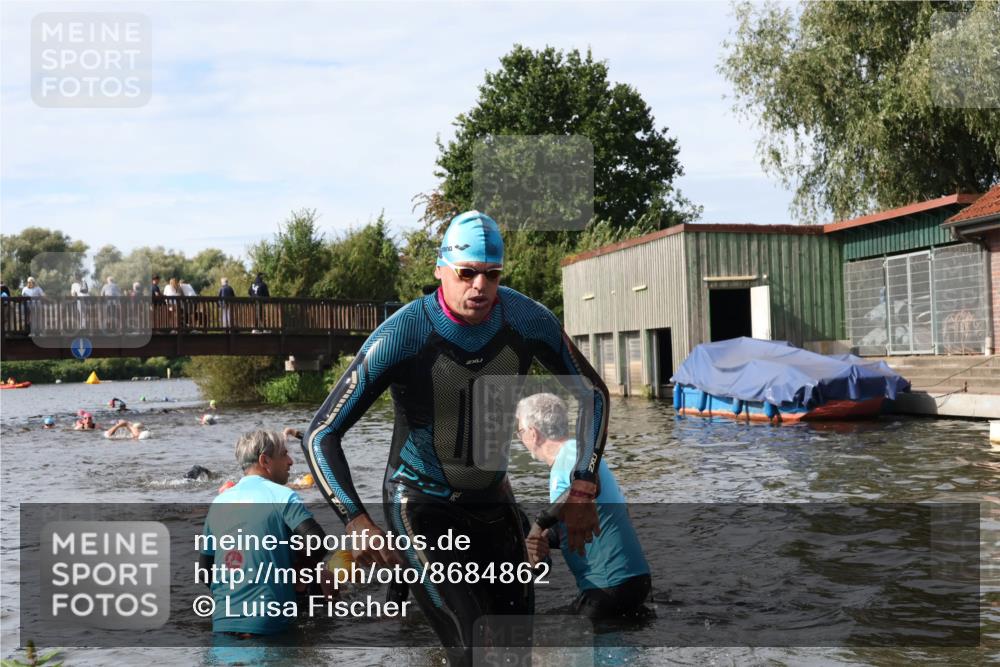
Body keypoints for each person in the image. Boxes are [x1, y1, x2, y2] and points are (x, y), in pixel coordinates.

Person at [302, 210, 610, 665]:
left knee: (514, 654)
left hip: (493, 504)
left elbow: (595, 395)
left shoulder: (526, 320)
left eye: (491, 274)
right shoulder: (404, 333)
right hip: (420, 505)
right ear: (440, 269)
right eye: (466, 273)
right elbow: (322, 434)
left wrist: (583, 485)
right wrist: (356, 520)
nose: (479, 287)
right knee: (475, 649)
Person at [516, 393, 650, 620]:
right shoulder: (576, 455)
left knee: (545, 644)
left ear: (533, 432)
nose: (520, 438)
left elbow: (590, 486)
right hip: (625, 581)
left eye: (519, 432)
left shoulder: (571, 456)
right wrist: (544, 541)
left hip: (610, 585)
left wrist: (540, 523)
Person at [197, 430, 337, 637]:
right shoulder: (281, 495)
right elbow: (316, 542)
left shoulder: (218, 503)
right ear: (265, 460)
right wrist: (300, 578)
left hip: (223, 624)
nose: (290, 461)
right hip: (270, 623)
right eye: (284, 454)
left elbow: (205, 571)